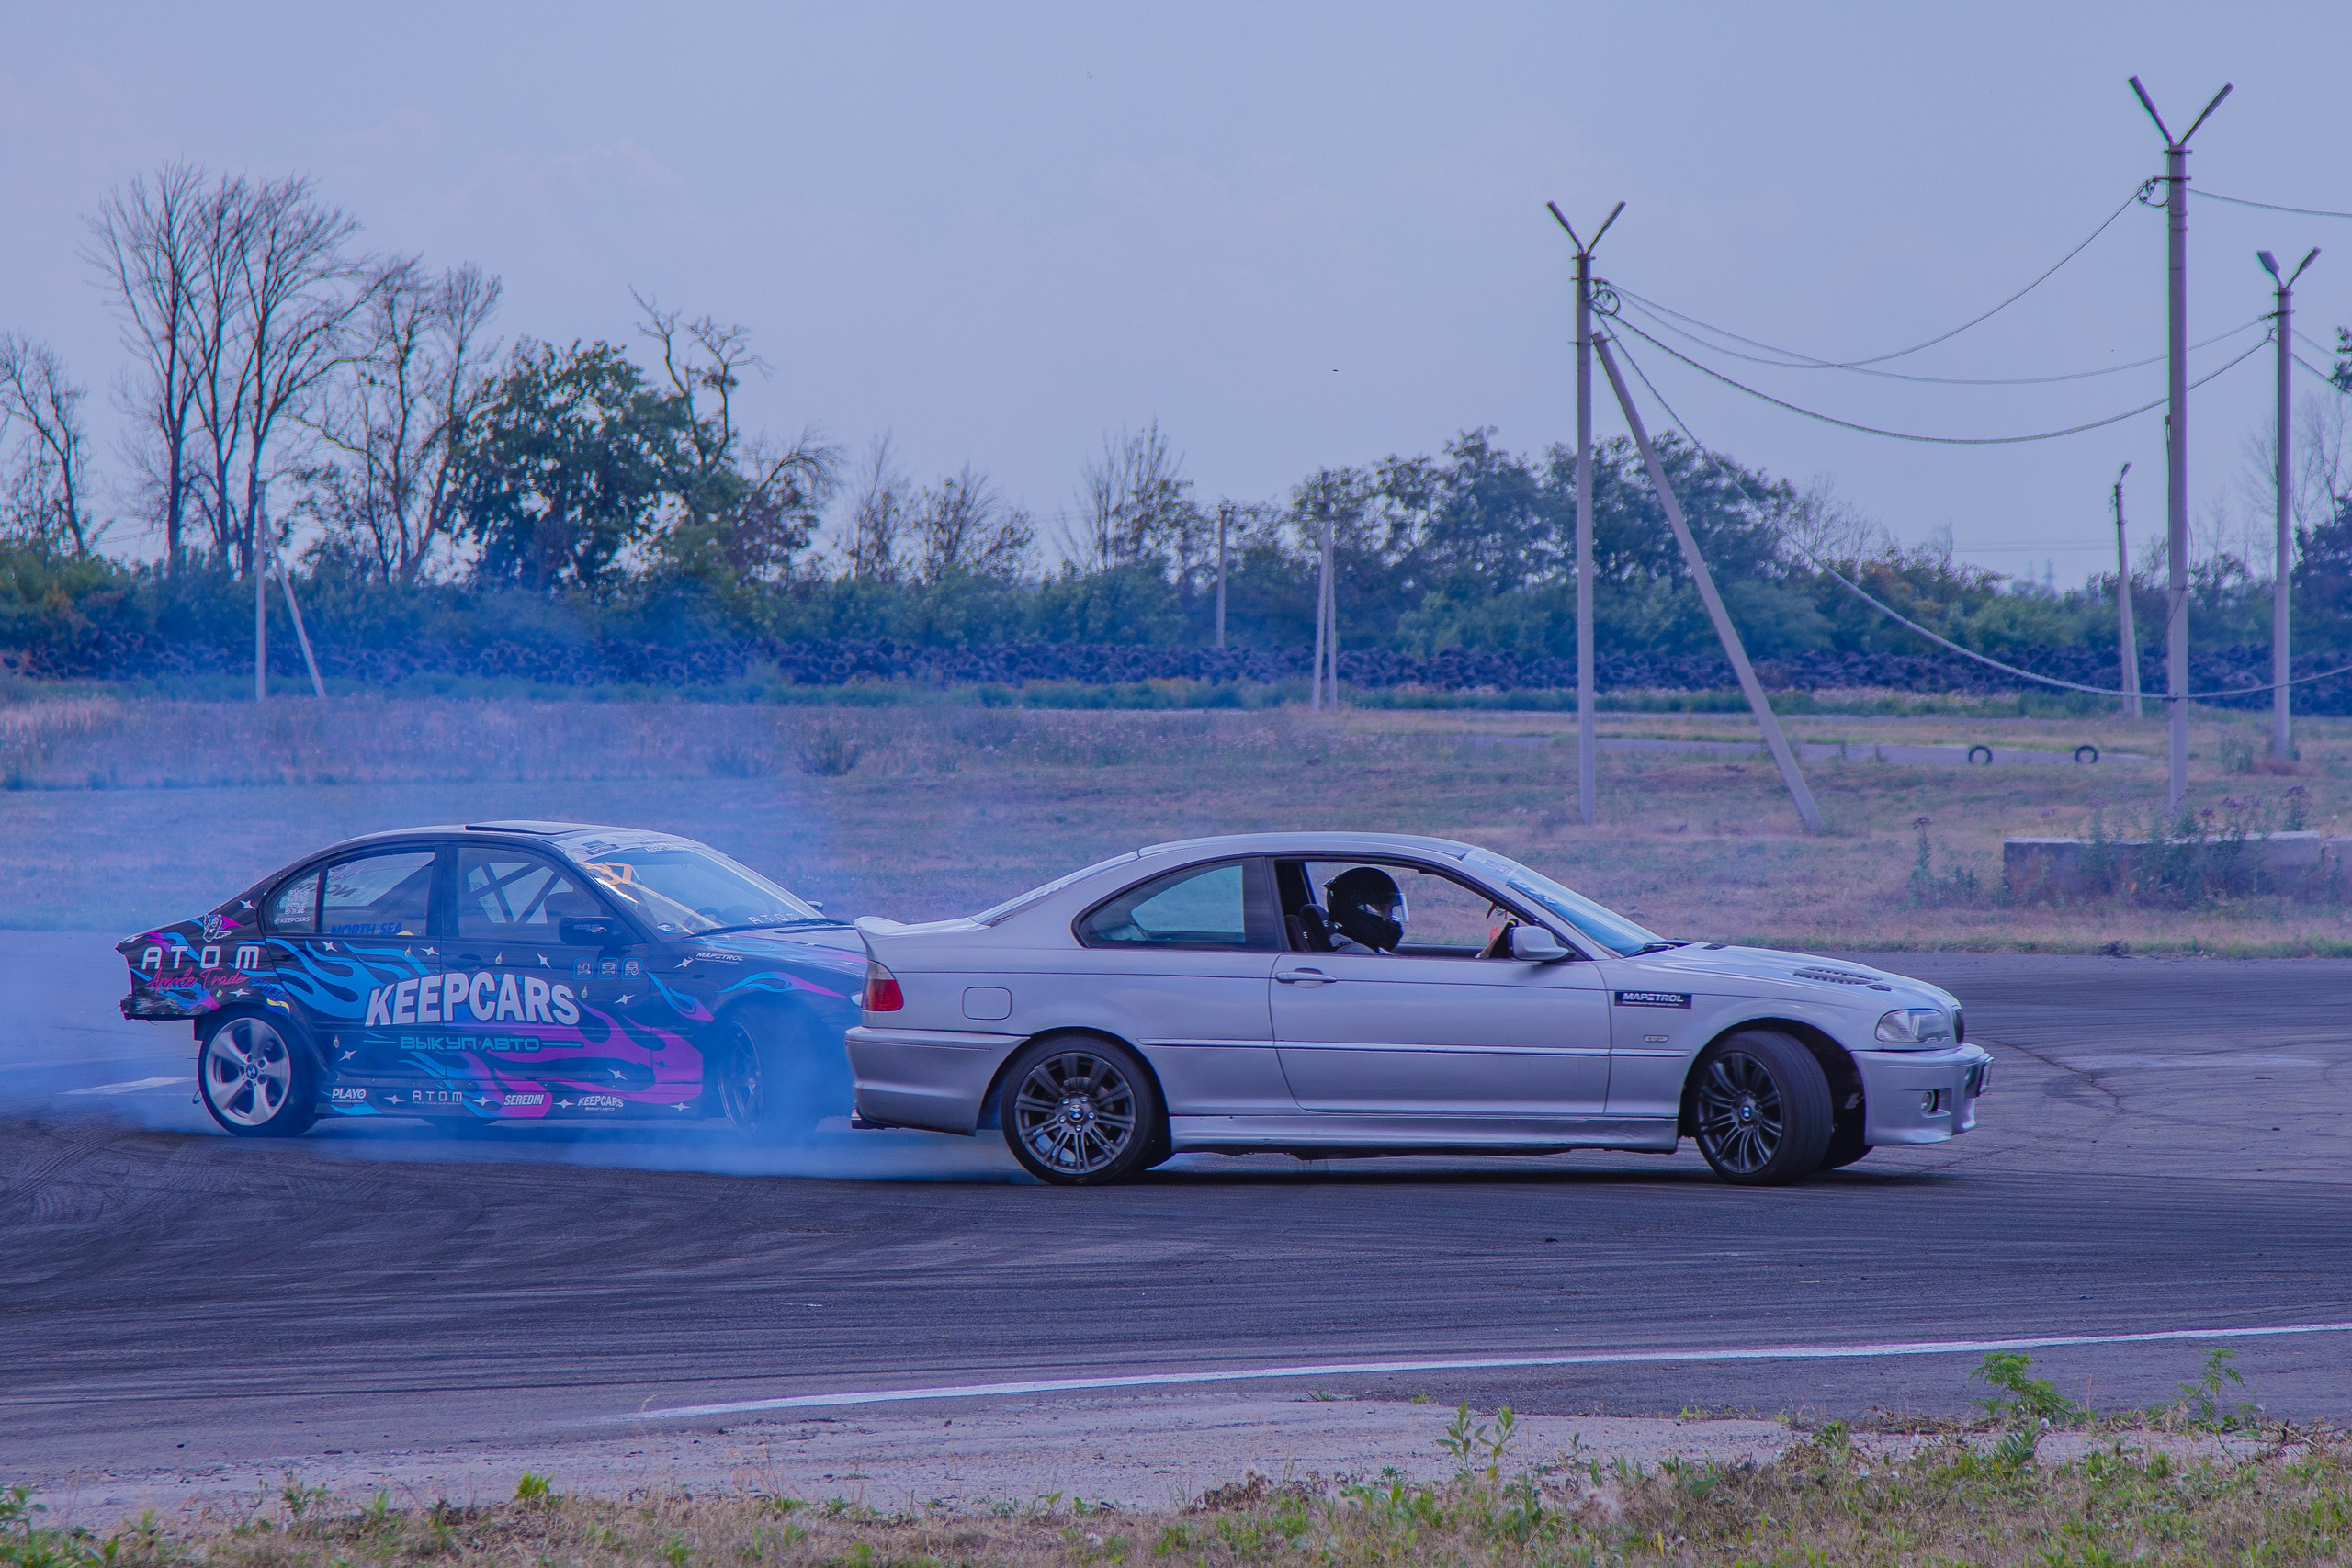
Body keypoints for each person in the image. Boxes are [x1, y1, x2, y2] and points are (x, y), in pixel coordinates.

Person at [1321, 866, 1407, 953]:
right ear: (1351, 910)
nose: (1388, 917)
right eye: (1381, 909)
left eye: (1390, 910)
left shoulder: (1366, 948)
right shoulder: (1355, 952)